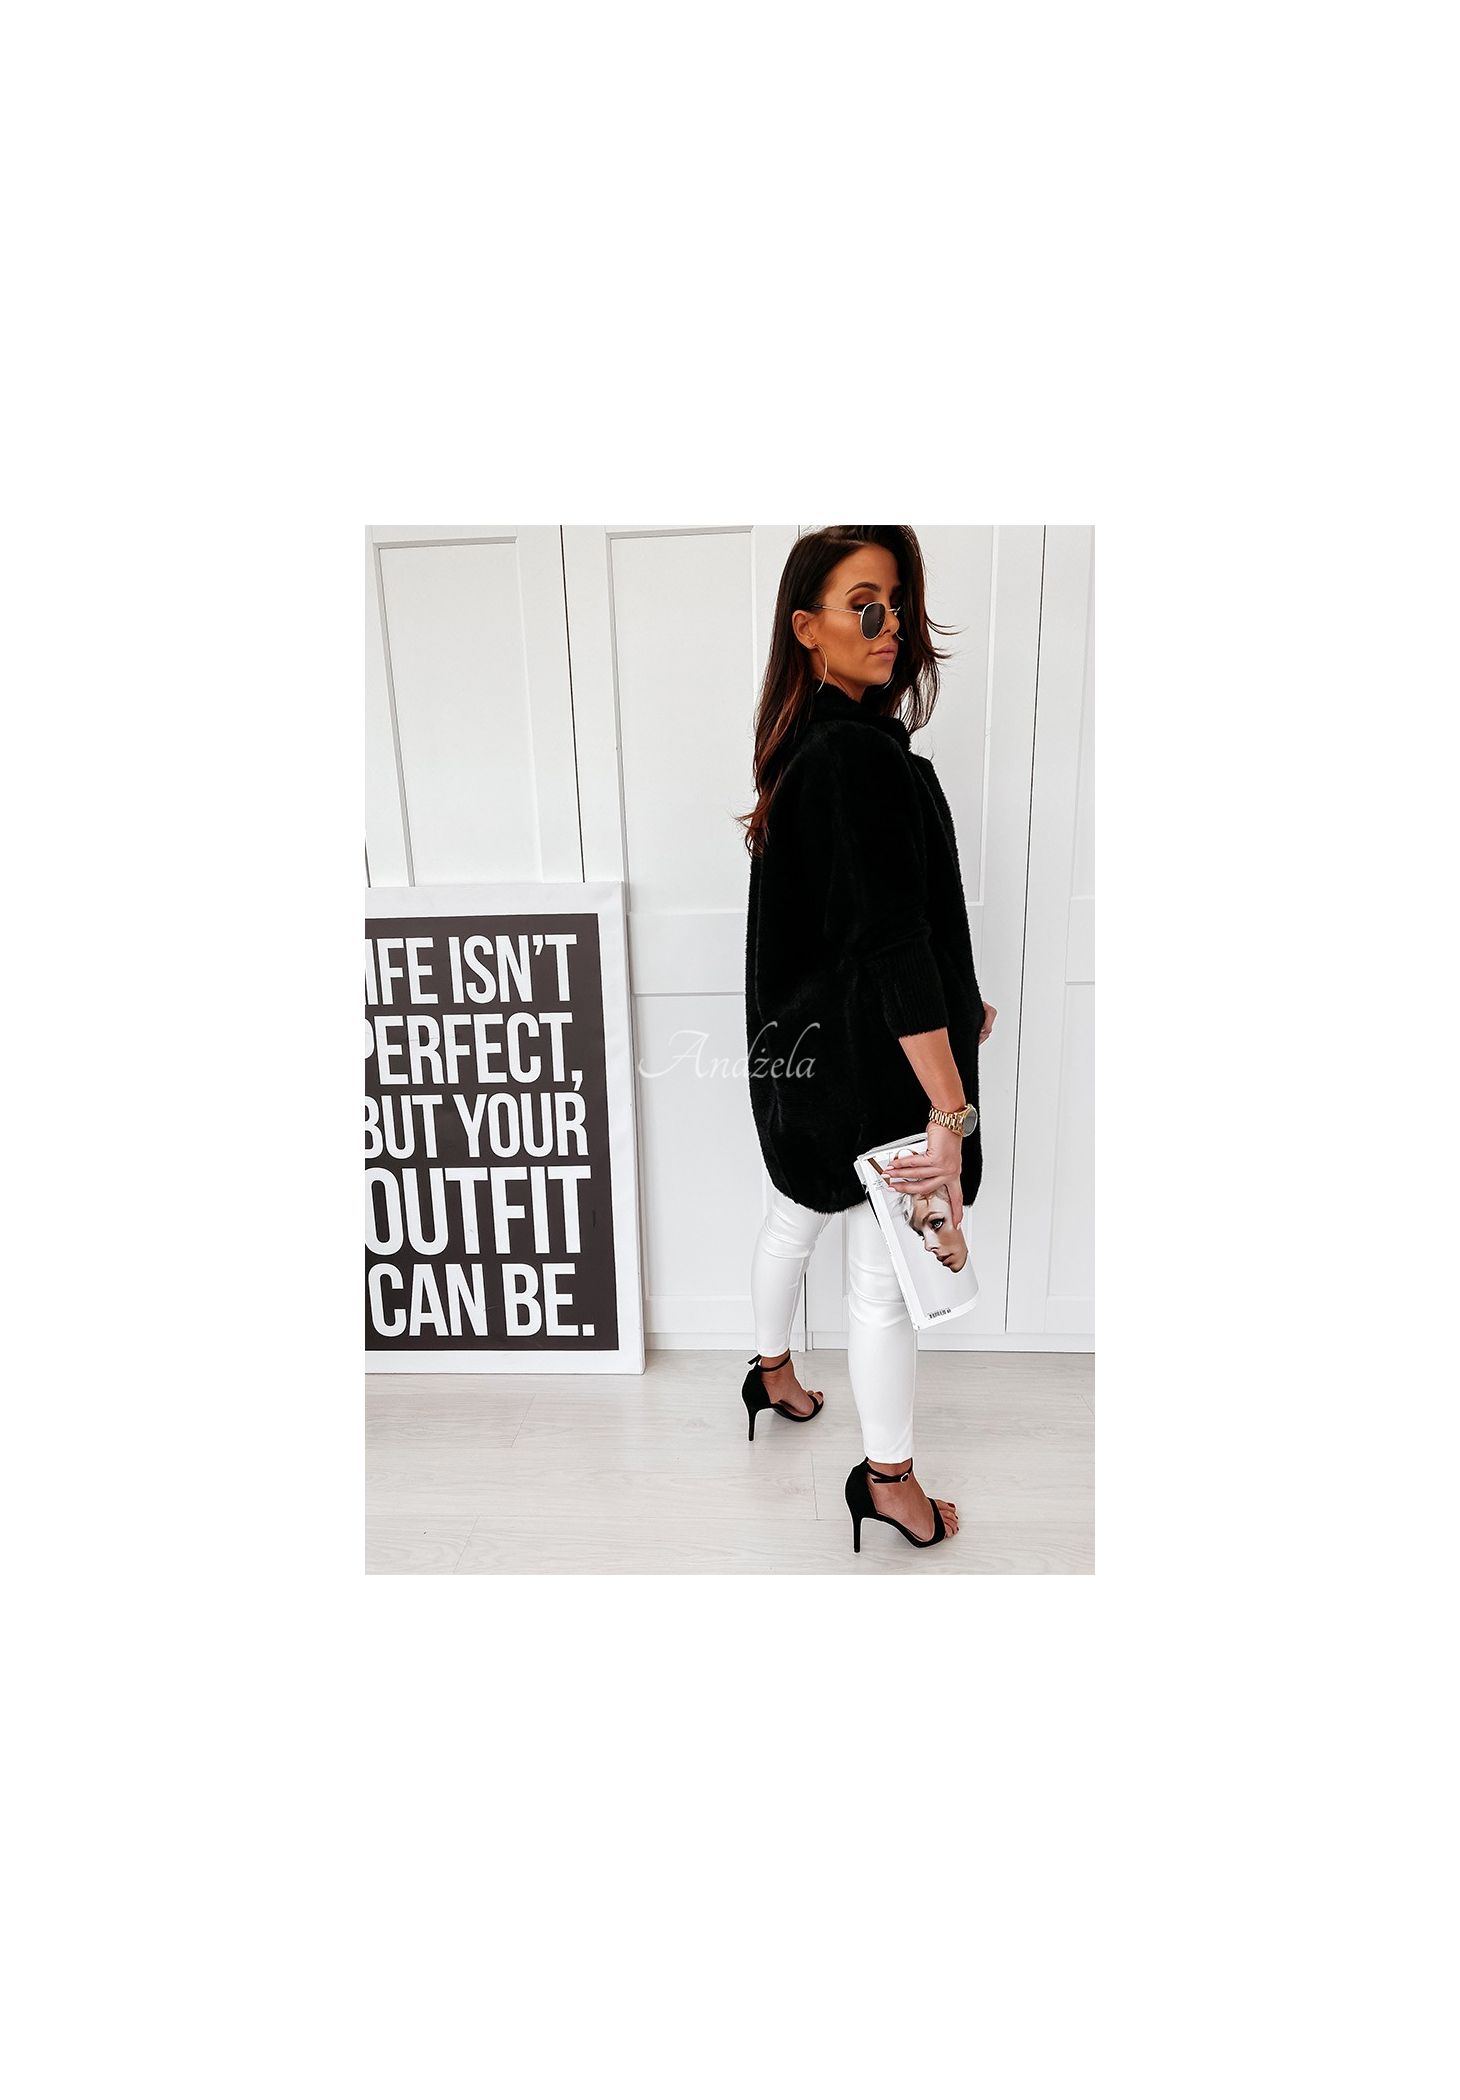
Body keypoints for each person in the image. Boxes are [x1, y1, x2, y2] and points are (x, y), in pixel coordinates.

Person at [739, 525, 996, 1552]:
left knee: (791, 1219)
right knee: (883, 1284)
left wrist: (956, 997)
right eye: (863, 605)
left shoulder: (805, 749)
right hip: (871, 1071)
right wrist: (948, 1108)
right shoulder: (856, 758)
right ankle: (888, 1482)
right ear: (807, 628)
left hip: (804, 1059)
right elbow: (890, 944)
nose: (888, 625)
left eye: (895, 604)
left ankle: (768, 1372)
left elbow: (850, 926)